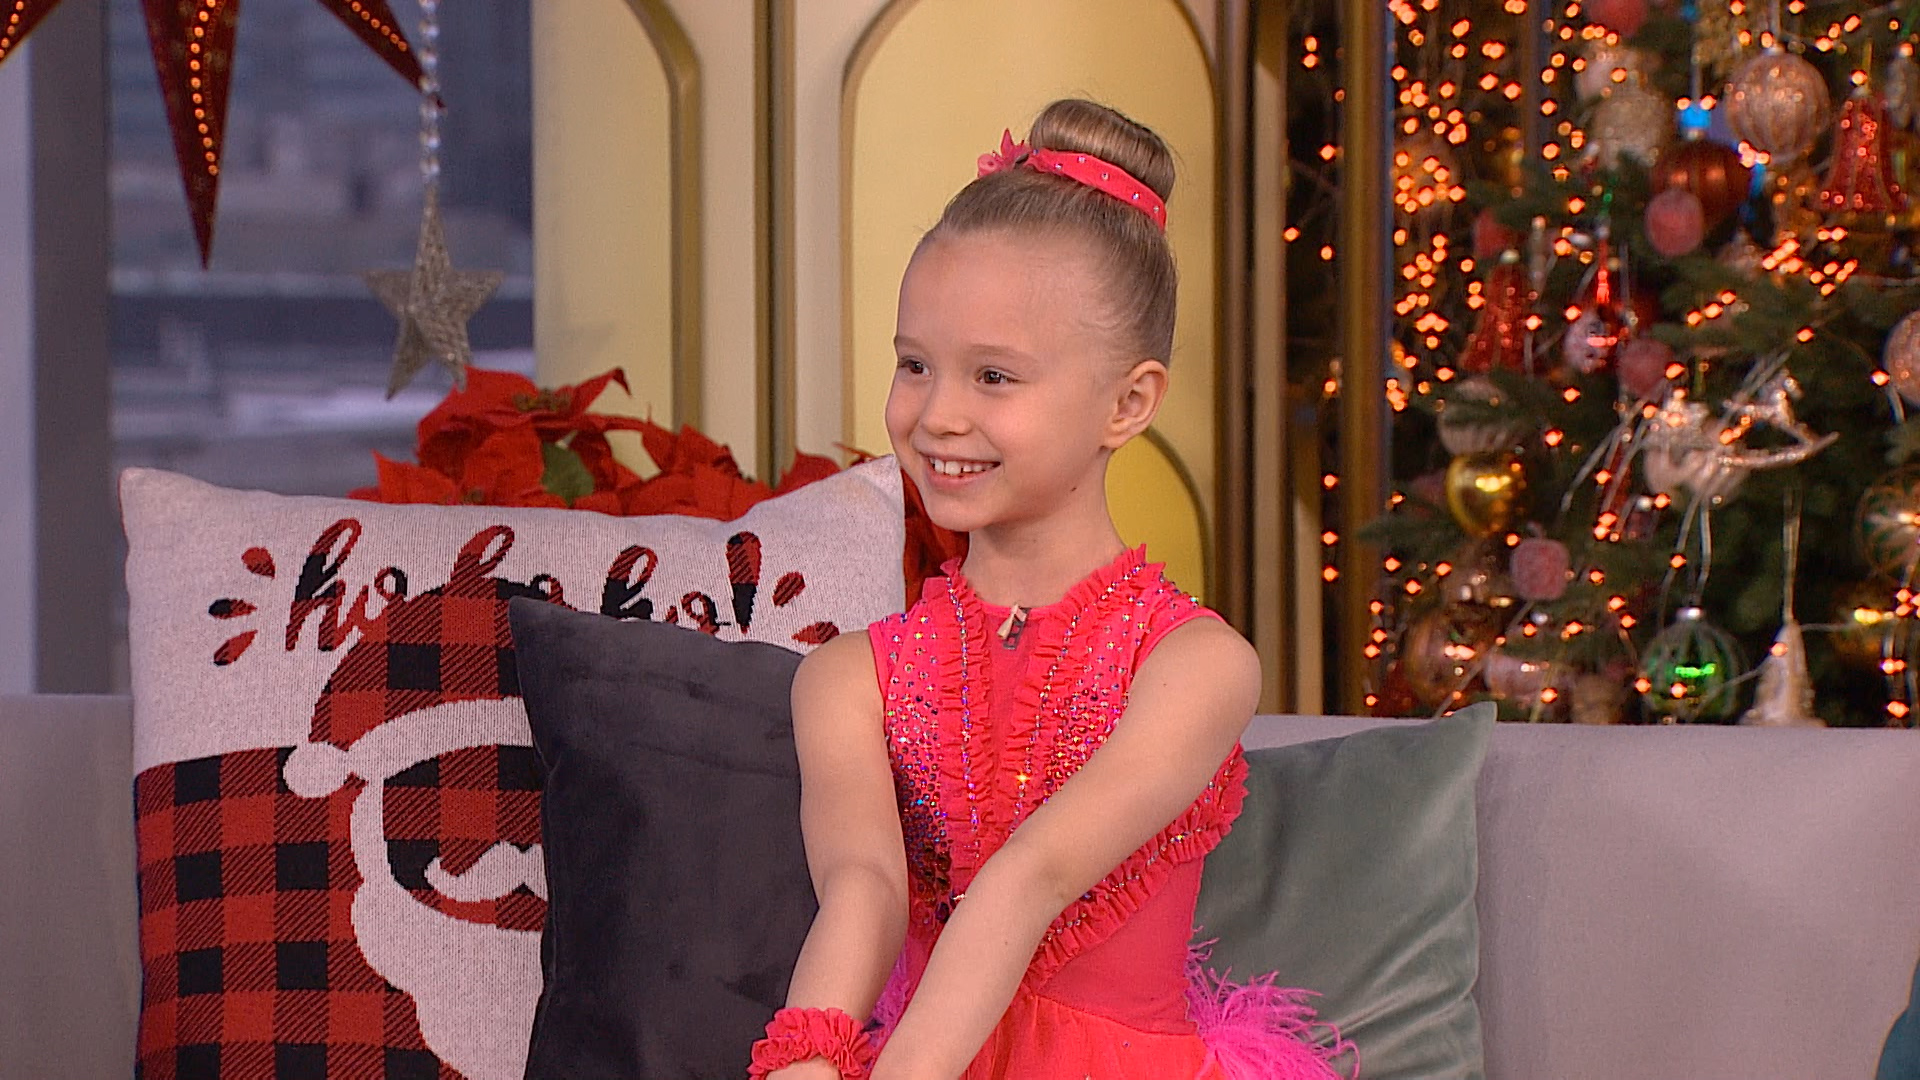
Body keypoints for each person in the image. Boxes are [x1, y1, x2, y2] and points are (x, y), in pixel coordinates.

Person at [747, 99, 1352, 1080]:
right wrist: (805, 1057)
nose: (938, 415)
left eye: (993, 377)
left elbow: (1030, 878)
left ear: (1128, 403)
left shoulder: (1194, 665)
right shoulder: (848, 678)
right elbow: (864, 888)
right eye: (914, 365)